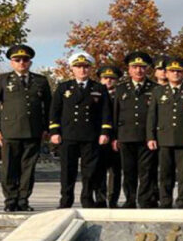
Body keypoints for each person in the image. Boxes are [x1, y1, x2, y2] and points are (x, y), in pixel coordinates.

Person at [0, 44, 52, 212]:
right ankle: (10, 200)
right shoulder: (2, 80)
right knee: (9, 168)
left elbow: (49, 107)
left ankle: (23, 200)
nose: (22, 62)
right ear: (11, 62)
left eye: (25, 60)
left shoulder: (41, 81)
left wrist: (46, 128)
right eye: (17, 60)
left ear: (30, 62)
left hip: (33, 130)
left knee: (28, 169)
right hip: (10, 131)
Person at [49, 52, 112, 208]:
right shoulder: (64, 87)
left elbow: (106, 112)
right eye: (78, 67)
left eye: (85, 67)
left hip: (91, 135)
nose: (82, 70)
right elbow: (54, 110)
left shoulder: (99, 88)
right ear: (72, 69)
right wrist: (54, 131)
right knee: (67, 170)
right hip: (68, 135)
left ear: (90, 69)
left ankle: (87, 198)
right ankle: (66, 200)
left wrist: (105, 132)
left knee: (89, 171)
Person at [147, 57, 183, 208]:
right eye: (172, 71)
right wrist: (150, 137)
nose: (175, 74)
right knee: (165, 173)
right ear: (166, 73)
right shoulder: (158, 92)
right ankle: (165, 201)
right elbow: (152, 116)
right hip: (163, 138)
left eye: (179, 71)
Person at [112, 52, 157, 209]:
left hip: (147, 137)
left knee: (147, 171)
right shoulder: (121, 89)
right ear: (129, 69)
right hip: (126, 136)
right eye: (135, 67)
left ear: (147, 69)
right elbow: (115, 114)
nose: (139, 70)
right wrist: (114, 137)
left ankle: (144, 199)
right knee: (129, 171)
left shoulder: (155, 88)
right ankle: (130, 199)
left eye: (142, 67)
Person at [97, 65, 123, 208]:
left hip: (115, 138)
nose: (108, 81)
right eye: (105, 78)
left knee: (115, 171)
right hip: (99, 138)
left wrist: (117, 137)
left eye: (112, 78)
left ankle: (113, 200)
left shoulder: (120, 95)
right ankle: (100, 199)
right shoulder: (96, 94)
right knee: (99, 170)